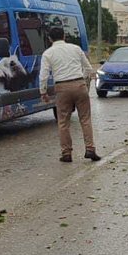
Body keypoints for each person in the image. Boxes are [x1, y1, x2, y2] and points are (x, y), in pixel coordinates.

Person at [39, 26, 100, 163]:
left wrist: (43, 91)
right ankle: (90, 149)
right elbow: (88, 68)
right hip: (79, 85)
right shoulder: (76, 49)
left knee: (63, 122)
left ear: (49, 39)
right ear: (64, 36)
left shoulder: (48, 53)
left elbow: (43, 75)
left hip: (62, 87)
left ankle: (66, 153)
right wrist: (86, 81)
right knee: (85, 119)